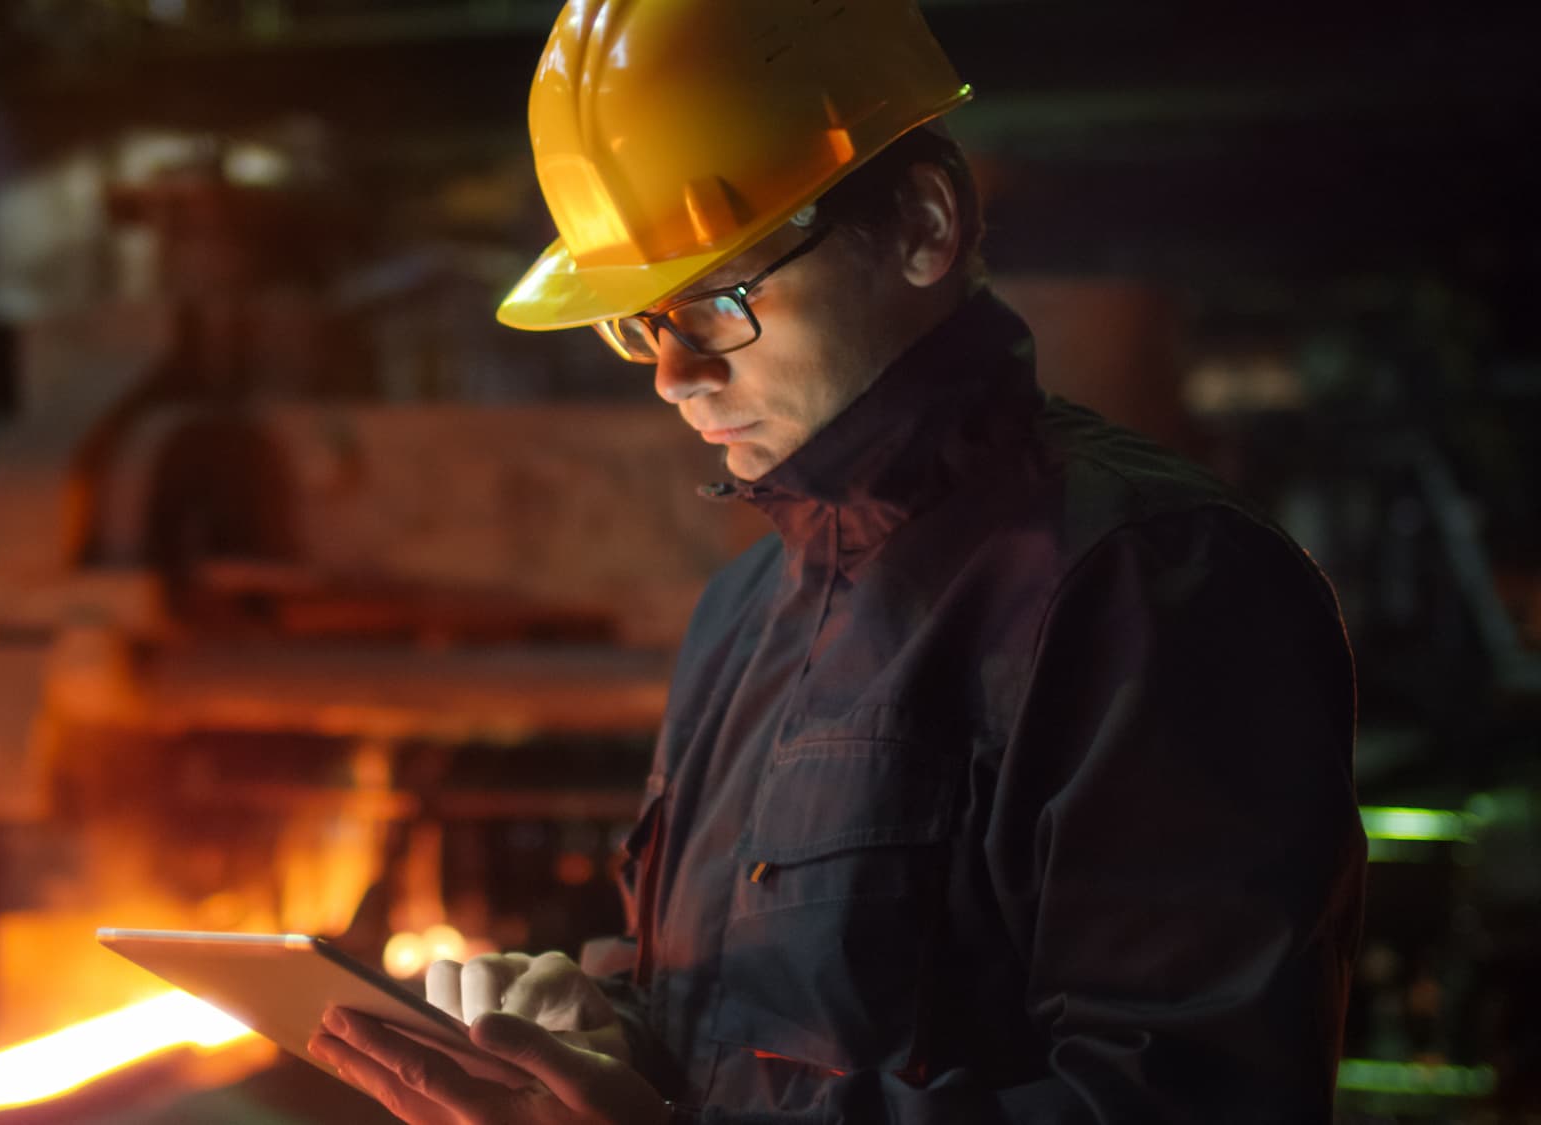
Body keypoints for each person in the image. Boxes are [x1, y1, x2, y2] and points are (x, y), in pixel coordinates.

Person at [310, 0, 1367, 1120]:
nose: (672, 374)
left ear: (921, 224)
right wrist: (604, 1040)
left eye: (715, 300)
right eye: (637, 321)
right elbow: (734, 1040)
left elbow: (1185, 1104)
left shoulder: (1150, 582)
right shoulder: (744, 610)